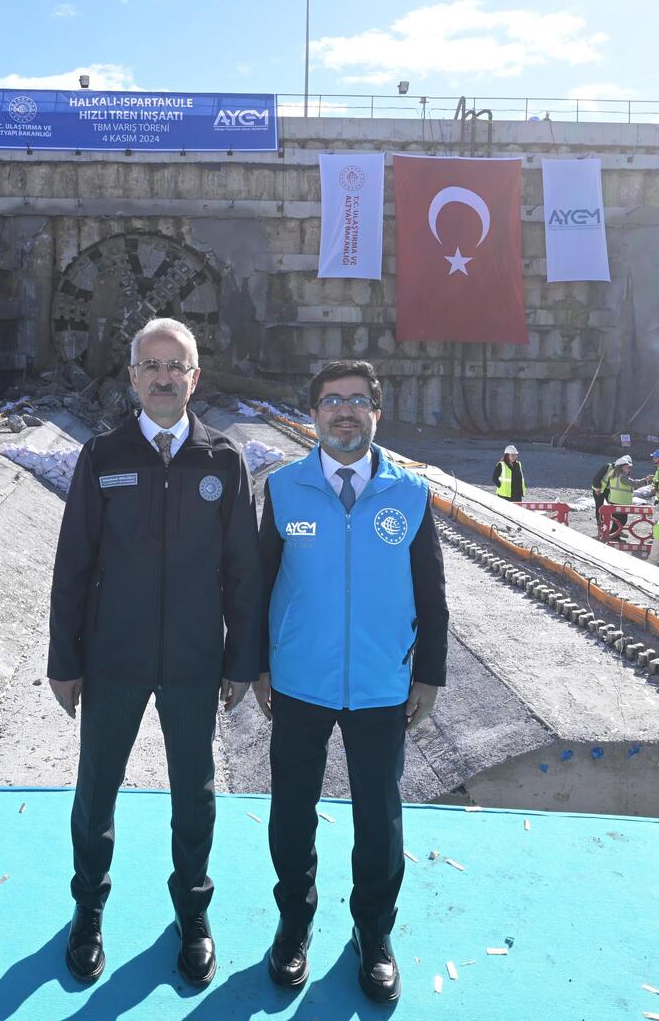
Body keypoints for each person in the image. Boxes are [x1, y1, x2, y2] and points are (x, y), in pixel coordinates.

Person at [47, 317, 263, 987]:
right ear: (133, 377)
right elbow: (73, 564)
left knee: (195, 794)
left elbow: (243, 571)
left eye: (176, 367)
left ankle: (192, 913)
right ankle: (88, 909)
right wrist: (65, 660)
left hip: (194, 660)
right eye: (152, 366)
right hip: (114, 655)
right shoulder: (103, 456)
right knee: (96, 790)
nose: (164, 378)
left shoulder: (223, 460)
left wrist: (240, 660)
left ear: (195, 378)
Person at [255, 360, 449, 1002]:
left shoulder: (410, 494)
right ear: (313, 415)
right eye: (332, 400)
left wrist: (428, 674)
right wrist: (258, 664)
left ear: (377, 413)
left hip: (380, 684)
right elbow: (259, 583)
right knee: (292, 810)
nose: (345, 410)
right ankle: (293, 923)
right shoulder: (283, 488)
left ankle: (374, 932)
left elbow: (431, 593)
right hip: (299, 680)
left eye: (358, 400)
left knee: (379, 815)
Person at [600, 455, 636, 540]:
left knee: (617, 520)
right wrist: (646, 481)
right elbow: (634, 483)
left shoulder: (613, 475)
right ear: (621, 467)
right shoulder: (622, 477)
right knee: (621, 521)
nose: (629, 469)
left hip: (614, 500)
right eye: (628, 467)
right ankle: (614, 536)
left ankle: (613, 535)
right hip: (621, 502)